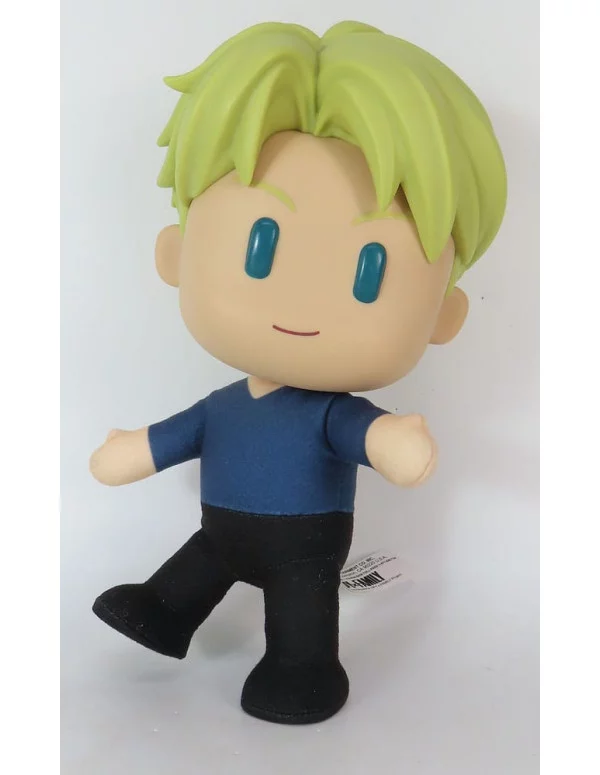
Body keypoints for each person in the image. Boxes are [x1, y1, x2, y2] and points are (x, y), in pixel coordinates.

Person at [90, 20, 507, 725]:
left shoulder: (329, 413)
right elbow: (178, 435)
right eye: (262, 248)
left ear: (443, 315)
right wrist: (133, 449)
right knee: (202, 559)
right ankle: (164, 609)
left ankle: (301, 665)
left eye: (368, 271)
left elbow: (366, 436)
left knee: (302, 605)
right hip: (220, 531)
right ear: (177, 255)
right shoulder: (223, 404)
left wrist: (391, 440)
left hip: (305, 549)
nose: (304, 299)